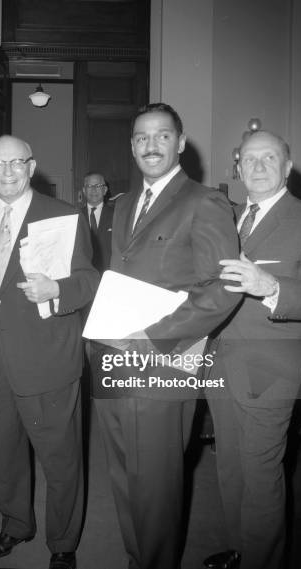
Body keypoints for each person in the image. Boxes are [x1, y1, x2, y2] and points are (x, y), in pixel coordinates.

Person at [92, 103, 241, 569]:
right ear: (132, 146)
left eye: (161, 136)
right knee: (124, 478)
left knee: (155, 488)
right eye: (140, 137)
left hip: (163, 363)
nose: (150, 145)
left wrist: (154, 338)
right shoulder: (122, 205)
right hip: (114, 360)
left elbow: (222, 289)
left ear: (180, 142)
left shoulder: (204, 201)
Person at [0, 135, 99, 569]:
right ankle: (16, 525)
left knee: (62, 460)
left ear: (32, 166)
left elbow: (90, 279)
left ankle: (63, 543)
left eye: (17, 162)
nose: (7, 172)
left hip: (48, 358)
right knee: (5, 455)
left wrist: (58, 288)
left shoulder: (64, 215)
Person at [203, 130, 301, 569]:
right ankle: (240, 547)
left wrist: (270, 285)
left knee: (260, 475)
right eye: (248, 159)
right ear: (236, 167)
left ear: (288, 166)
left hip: (270, 366)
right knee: (229, 468)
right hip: (219, 358)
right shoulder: (227, 216)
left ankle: (261, 560)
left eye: (268, 158)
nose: (256, 167)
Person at [81, 172, 114, 273]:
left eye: (98, 185)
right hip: (83, 275)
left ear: (105, 190)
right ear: (84, 190)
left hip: (109, 275)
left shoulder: (117, 215)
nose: (94, 189)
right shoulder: (75, 216)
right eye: (89, 186)